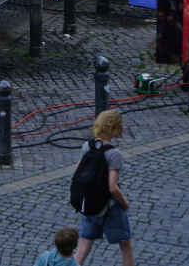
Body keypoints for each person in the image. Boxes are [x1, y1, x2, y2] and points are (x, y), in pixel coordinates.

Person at [72, 111, 132, 266]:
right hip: (110, 208)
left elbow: (79, 174)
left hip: (88, 204)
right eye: (119, 127)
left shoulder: (87, 145)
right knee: (126, 248)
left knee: (82, 249)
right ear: (111, 128)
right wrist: (124, 202)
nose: (121, 130)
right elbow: (112, 187)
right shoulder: (114, 153)